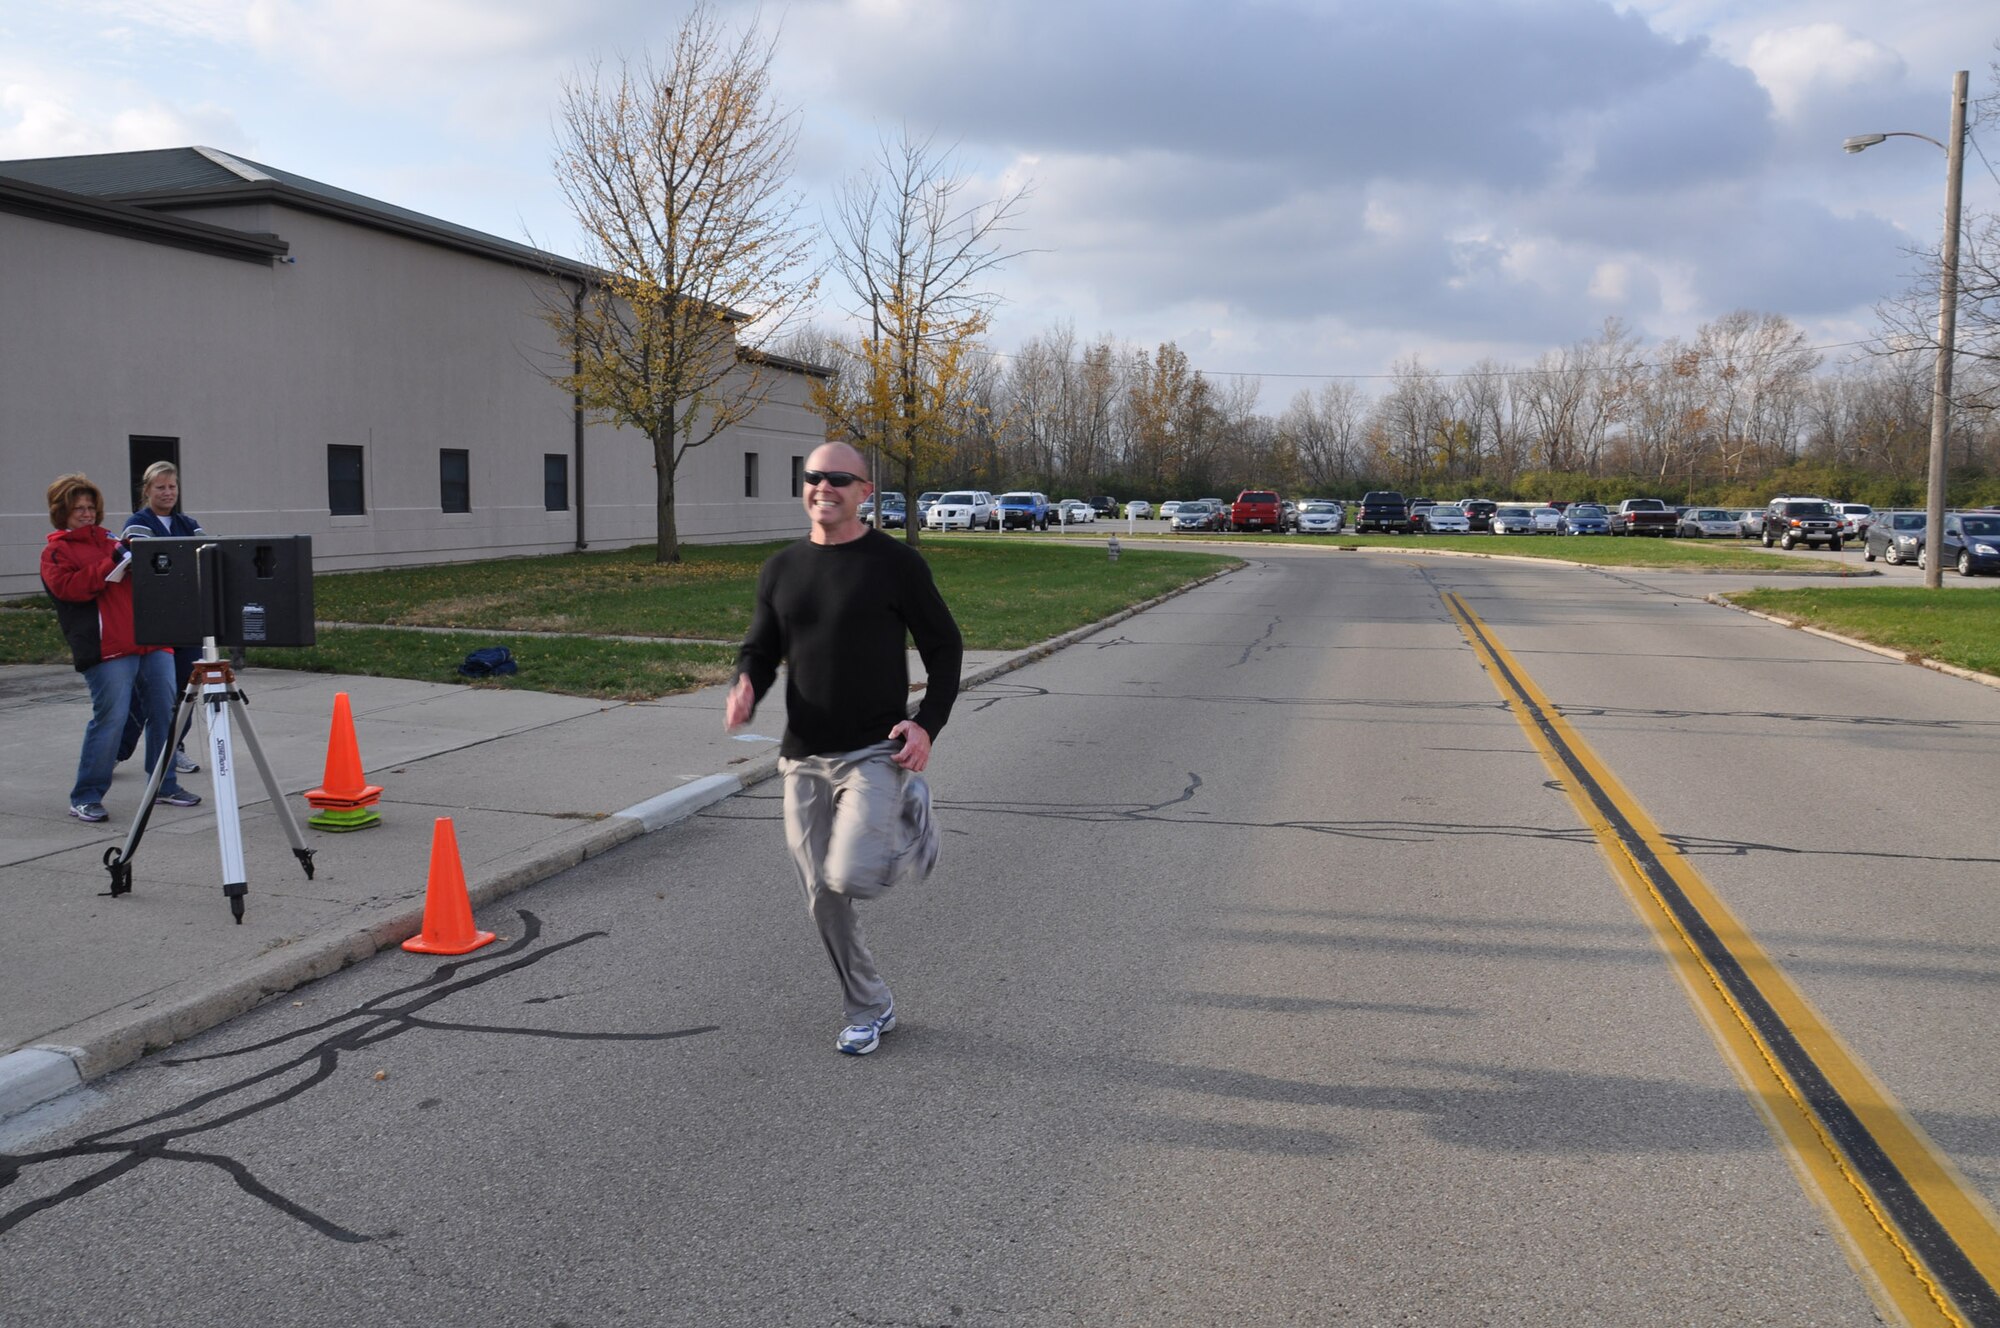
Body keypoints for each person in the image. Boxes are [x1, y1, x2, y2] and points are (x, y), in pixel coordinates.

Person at [726, 442, 963, 1056]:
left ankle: (907, 811)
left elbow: (944, 646)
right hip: (803, 756)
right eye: (812, 477)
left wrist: (926, 724)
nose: (822, 487)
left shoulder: (895, 564)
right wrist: (747, 681)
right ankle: (869, 1006)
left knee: (852, 872)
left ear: (864, 492)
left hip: (874, 749)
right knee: (822, 896)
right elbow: (760, 644)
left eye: (837, 478)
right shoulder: (781, 568)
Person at [41, 474, 202, 823]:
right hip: (107, 649)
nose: (86, 514)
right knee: (110, 720)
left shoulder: (111, 539)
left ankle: (165, 784)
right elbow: (71, 590)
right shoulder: (56, 551)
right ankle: (85, 796)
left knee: (166, 714)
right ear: (61, 512)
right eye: (77, 509)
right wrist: (114, 560)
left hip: (151, 642)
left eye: (90, 507)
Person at [118, 461, 205, 774]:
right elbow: (145, 567)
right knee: (147, 698)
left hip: (187, 623)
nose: (168, 493)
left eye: (172, 486)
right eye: (161, 487)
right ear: (147, 491)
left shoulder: (189, 524)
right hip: (154, 624)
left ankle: (174, 747)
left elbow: (202, 561)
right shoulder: (137, 524)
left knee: (186, 689)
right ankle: (118, 749)